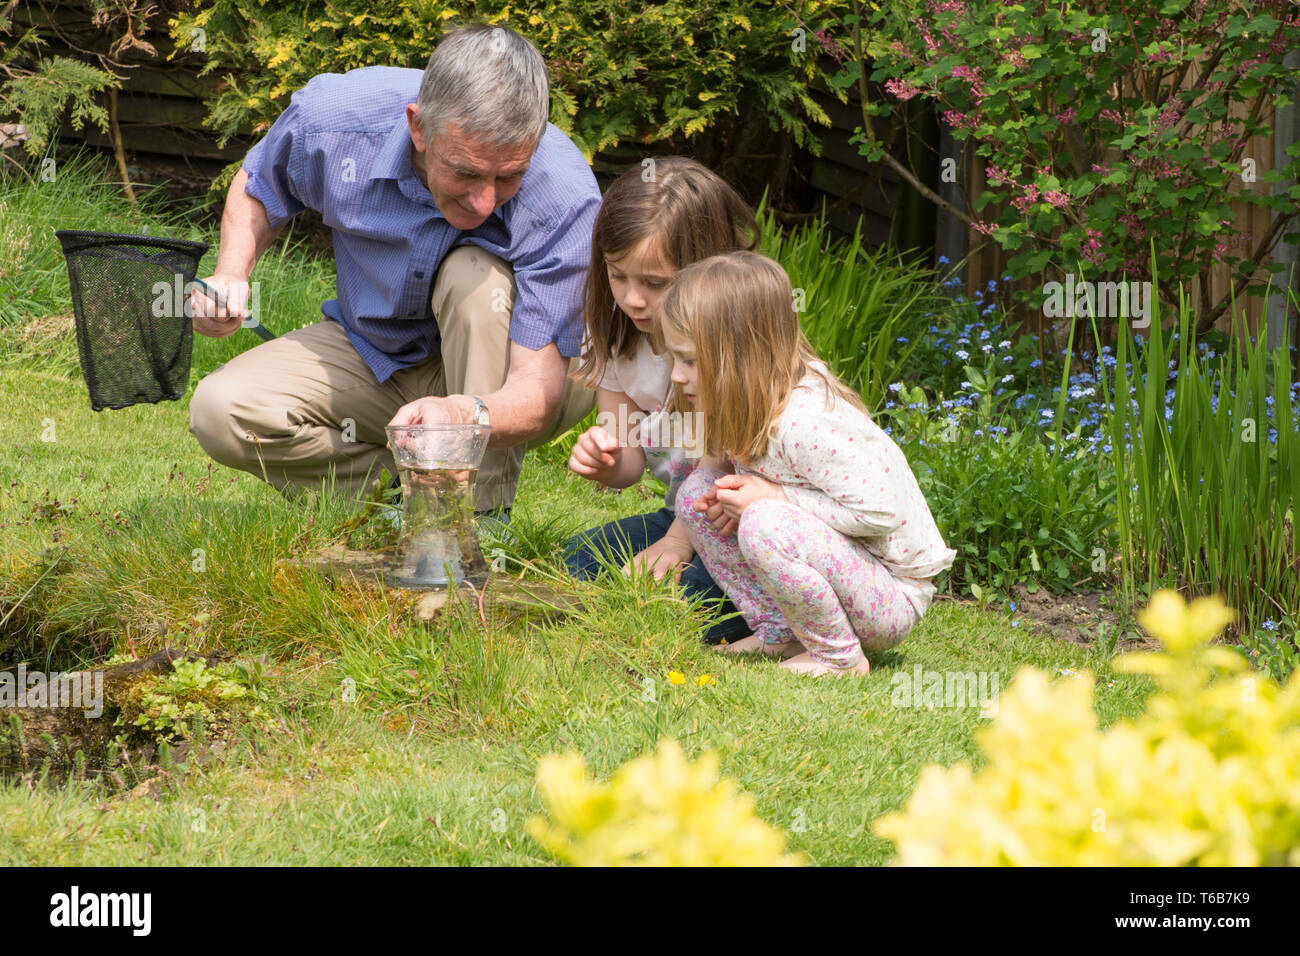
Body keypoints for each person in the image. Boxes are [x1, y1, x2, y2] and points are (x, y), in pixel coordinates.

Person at [186, 23, 599, 516]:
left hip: (520, 372)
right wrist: (231, 272)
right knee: (221, 409)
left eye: (509, 176)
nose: (485, 201)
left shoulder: (564, 195)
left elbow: (535, 393)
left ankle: (479, 524)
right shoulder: (335, 122)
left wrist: (462, 414)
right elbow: (259, 185)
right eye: (466, 172)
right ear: (418, 127)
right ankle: (410, 510)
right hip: (375, 352)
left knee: (474, 276)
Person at [659, 251, 956, 676]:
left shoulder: (802, 422)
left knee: (765, 521)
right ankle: (780, 631)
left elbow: (880, 512)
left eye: (688, 360)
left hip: (888, 595)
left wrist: (775, 496)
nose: (676, 374)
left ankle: (839, 657)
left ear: (741, 356)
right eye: (674, 358)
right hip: (840, 575)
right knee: (694, 496)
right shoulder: (750, 400)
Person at [560, 158, 759, 645]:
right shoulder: (615, 334)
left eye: (655, 283)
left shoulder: (730, 344)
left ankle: (769, 611)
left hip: (745, 526)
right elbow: (628, 458)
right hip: (683, 516)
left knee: (681, 604)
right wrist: (607, 461)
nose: (633, 300)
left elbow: (733, 478)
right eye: (617, 275)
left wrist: (679, 544)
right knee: (581, 559)